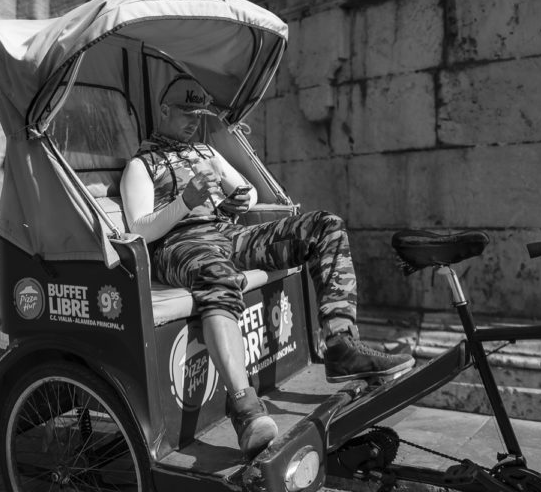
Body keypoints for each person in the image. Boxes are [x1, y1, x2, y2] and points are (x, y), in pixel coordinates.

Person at [120, 74, 415, 459]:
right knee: (219, 275)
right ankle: (244, 406)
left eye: (200, 114)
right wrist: (185, 201)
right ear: (163, 111)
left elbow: (248, 192)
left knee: (325, 226)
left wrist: (236, 195)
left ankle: (341, 345)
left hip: (224, 234)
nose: (195, 121)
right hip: (178, 245)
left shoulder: (206, 152)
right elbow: (140, 230)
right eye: (187, 113)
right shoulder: (141, 166)